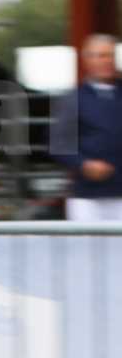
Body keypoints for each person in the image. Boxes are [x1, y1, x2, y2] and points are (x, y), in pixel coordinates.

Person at [51, 33, 122, 221]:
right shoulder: (73, 98)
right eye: (97, 56)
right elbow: (58, 143)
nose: (104, 61)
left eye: (108, 55)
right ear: (86, 60)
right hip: (87, 199)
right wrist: (83, 164)